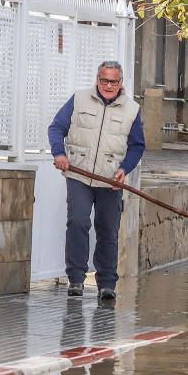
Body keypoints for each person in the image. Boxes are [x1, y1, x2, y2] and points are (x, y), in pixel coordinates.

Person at [48, 61, 145, 301]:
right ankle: (76, 279)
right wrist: (59, 154)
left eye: (114, 81)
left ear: (121, 83)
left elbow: (137, 146)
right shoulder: (79, 99)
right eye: (104, 80)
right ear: (97, 79)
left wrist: (124, 169)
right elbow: (56, 128)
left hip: (110, 180)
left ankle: (107, 283)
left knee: (108, 230)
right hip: (79, 175)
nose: (109, 85)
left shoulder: (131, 109)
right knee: (78, 223)